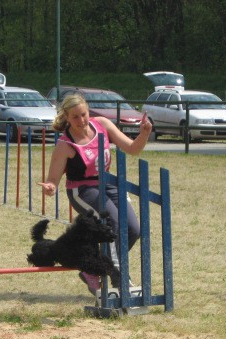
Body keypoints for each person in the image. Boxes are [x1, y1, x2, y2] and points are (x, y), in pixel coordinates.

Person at [38, 94, 153, 293]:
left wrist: (144, 133)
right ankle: (118, 277)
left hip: (107, 184)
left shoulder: (102, 124)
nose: (81, 121)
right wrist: (49, 188)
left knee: (134, 229)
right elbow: (53, 180)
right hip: (81, 190)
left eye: (84, 114)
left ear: (89, 111)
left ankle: (92, 270)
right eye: (75, 117)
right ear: (66, 117)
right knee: (114, 223)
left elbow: (133, 149)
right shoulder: (65, 145)